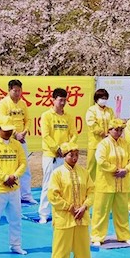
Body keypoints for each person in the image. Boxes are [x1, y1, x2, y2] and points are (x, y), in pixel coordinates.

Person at [47, 142, 97, 258]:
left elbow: (92, 191)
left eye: (76, 155)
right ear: (64, 156)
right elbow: (53, 195)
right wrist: (69, 207)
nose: (74, 158)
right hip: (64, 218)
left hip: (81, 217)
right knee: (61, 250)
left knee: (83, 250)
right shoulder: (57, 173)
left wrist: (84, 206)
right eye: (71, 155)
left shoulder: (84, 172)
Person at [0, 123, 28, 257]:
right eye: (5, 130)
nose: (8, 133)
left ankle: (16, 244)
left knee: (16, 218)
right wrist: (4, 178)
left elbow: (23, 163)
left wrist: (14, 176)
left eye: (10, 130)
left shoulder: (16, 145)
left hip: (14, 188)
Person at [91, 119, 130, 246]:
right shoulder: (103, 144)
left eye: (121, 130)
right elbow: (101, 160)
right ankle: (97, 237)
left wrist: (126, 170)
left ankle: (124, 236)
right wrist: (115, 170)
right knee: (101, 211)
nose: (119, 132)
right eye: (116, 129)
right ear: (109, 130)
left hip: (122, 182)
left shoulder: (125, 144)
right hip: (106, 183)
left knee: (122, 211)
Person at [38, 88, 77, 222]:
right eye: (60, 100)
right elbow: (46, 135)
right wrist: (57, 148)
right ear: (53, 100)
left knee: (66, 184)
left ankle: (65, 210)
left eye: (64, 100)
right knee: (49, 184)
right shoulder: (46, 116)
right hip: (51, 155)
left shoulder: (68, 117)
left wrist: (67, 148)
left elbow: (74, 134)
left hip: (65, 156)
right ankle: (43, 214)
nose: (62, 103)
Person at [0, 79, 35, 205]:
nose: (17, 93)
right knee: (8, 167)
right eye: (15, 90)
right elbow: (2, 121)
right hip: (8, 139)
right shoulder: (3, 104)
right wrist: (14, 134)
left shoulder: (23, 104)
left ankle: (26, 195)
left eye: (19, 90)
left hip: (21, 139)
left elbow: (28, 119)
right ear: (9, 90)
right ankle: (9, 194)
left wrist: (24, 132)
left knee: (25, 167)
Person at [85, 89, 115, 181]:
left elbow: (113, 122)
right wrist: (103, 133)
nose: (104, 100)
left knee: (106, 164)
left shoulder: (109, 110)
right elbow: (92, 124)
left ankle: (103, 185)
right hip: (95, 143)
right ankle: (89, 187)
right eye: (102, 98)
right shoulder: (91, 110)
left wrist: (111, 133)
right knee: (92, 166)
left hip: (108, 142)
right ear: (97, 99)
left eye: (105, 98)